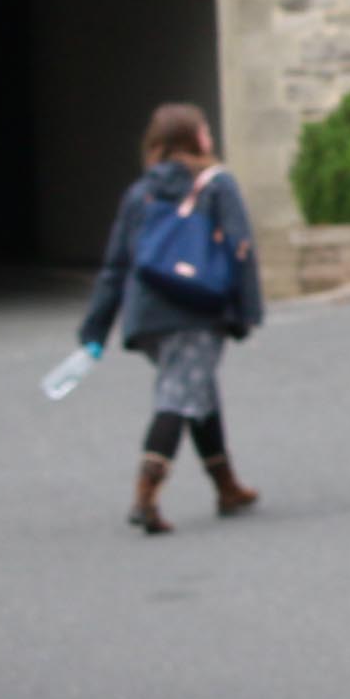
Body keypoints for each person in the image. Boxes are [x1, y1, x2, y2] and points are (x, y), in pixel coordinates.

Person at [72, 103, 264, 537]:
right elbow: (240, 249)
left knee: (197, 388)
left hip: (148, 317)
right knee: (179, 396)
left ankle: (226, 486)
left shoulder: (139, 193)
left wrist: (95, 331)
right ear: (198, 140)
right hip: (197, 310)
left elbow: (115, 267)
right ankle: (146, 494)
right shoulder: (217, 185)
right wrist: (244, 314)